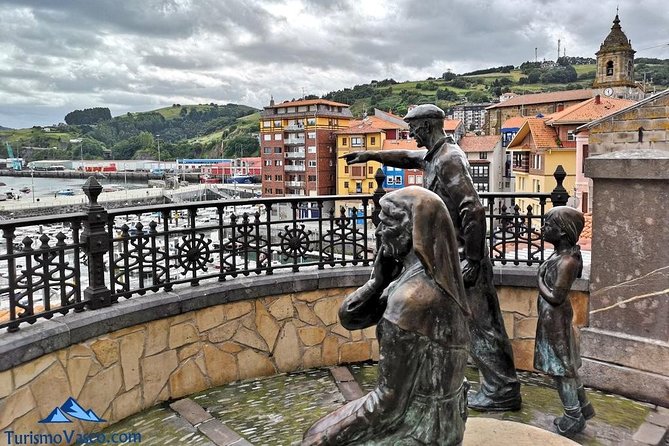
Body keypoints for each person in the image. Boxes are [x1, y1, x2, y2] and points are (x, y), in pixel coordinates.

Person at [342, 104, 521, 411]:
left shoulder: (449, 158)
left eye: (413, 129)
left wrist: (474, 260)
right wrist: (372, 155)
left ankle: (502, 389)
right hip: (453, 256)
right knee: (471, 322)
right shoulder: (436, 154)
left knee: (483, 324)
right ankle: (495, 385)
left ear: (426, 126)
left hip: (464, 258)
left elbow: (472, 208)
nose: (411, 135)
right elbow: (407, 157)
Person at [302, 186, 470, 445]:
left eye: (385, 224)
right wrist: (377, 282)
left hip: (421, 431)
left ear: (412, 229)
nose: (378, 233)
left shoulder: (412, 299)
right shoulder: (425, 278)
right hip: (444, 423)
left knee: (314, 436)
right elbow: (350, 318)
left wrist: (324, 438)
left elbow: (388, 404)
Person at [536, 206, 594, 437]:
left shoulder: (567, 261)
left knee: (561, 368)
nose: (542, 228)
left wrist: (539, 279)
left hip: (556, 320)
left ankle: (573, 416)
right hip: (552, 318)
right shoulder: (561, 256)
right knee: (566, 364)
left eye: (548, 225)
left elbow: (555, 297)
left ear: (562, 232)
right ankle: (584, 407)